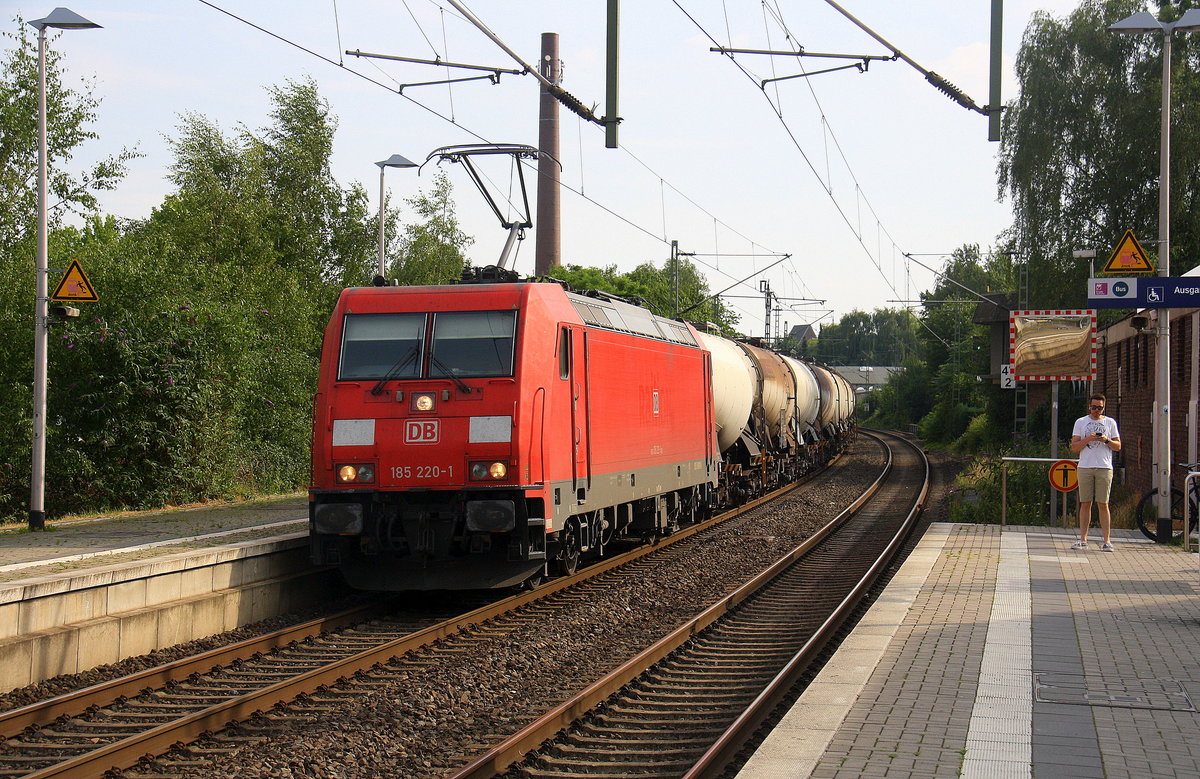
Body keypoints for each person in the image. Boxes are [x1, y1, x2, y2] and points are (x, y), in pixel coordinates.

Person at [1069, 393, 1121, 551]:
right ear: (1089, 407)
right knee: (1085, 503)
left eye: (1099, 408)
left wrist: (1105, 440)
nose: (1096, 411)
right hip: (1085, 466)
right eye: (1093, 407)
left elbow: (1117, 446)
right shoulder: (1081, 422)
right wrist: (1088, 439)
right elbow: (1074, 447)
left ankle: (1107, 541)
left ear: (1104, 408)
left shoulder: (1110, 422)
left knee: (1103, 503)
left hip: (1104, 467)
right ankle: (1083, 539)